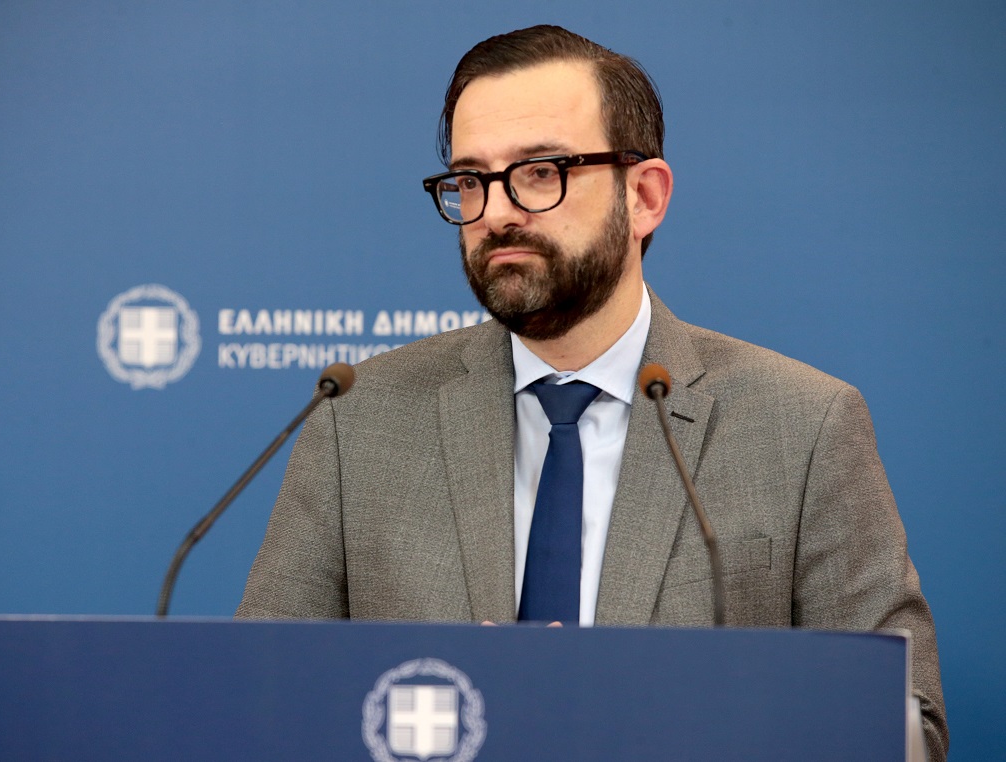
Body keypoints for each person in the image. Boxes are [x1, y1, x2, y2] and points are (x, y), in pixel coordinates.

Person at [237, 25, 946, 758]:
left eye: (540, 171)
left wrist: (659, 711)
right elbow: (257, 697)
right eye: (471, 180)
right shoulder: (360, 419)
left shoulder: (802, 425)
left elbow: (909, 733)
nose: (496, 212)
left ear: (644, 196)